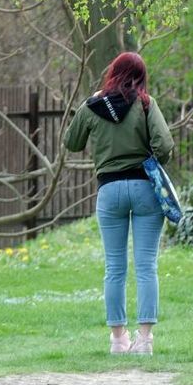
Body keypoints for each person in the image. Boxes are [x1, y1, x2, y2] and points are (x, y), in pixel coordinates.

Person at [64, 52, 174, 355]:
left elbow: (71, 143)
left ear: (112, 72)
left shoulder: (92, 106)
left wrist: (89, 104)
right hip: (144, 188)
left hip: (109, 190)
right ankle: (145, 339)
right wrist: (154, 162)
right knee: (146, 265)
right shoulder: (146, 103)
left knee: (114, 267)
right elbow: (165, 144)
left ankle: (117, 339)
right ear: (141, 75)